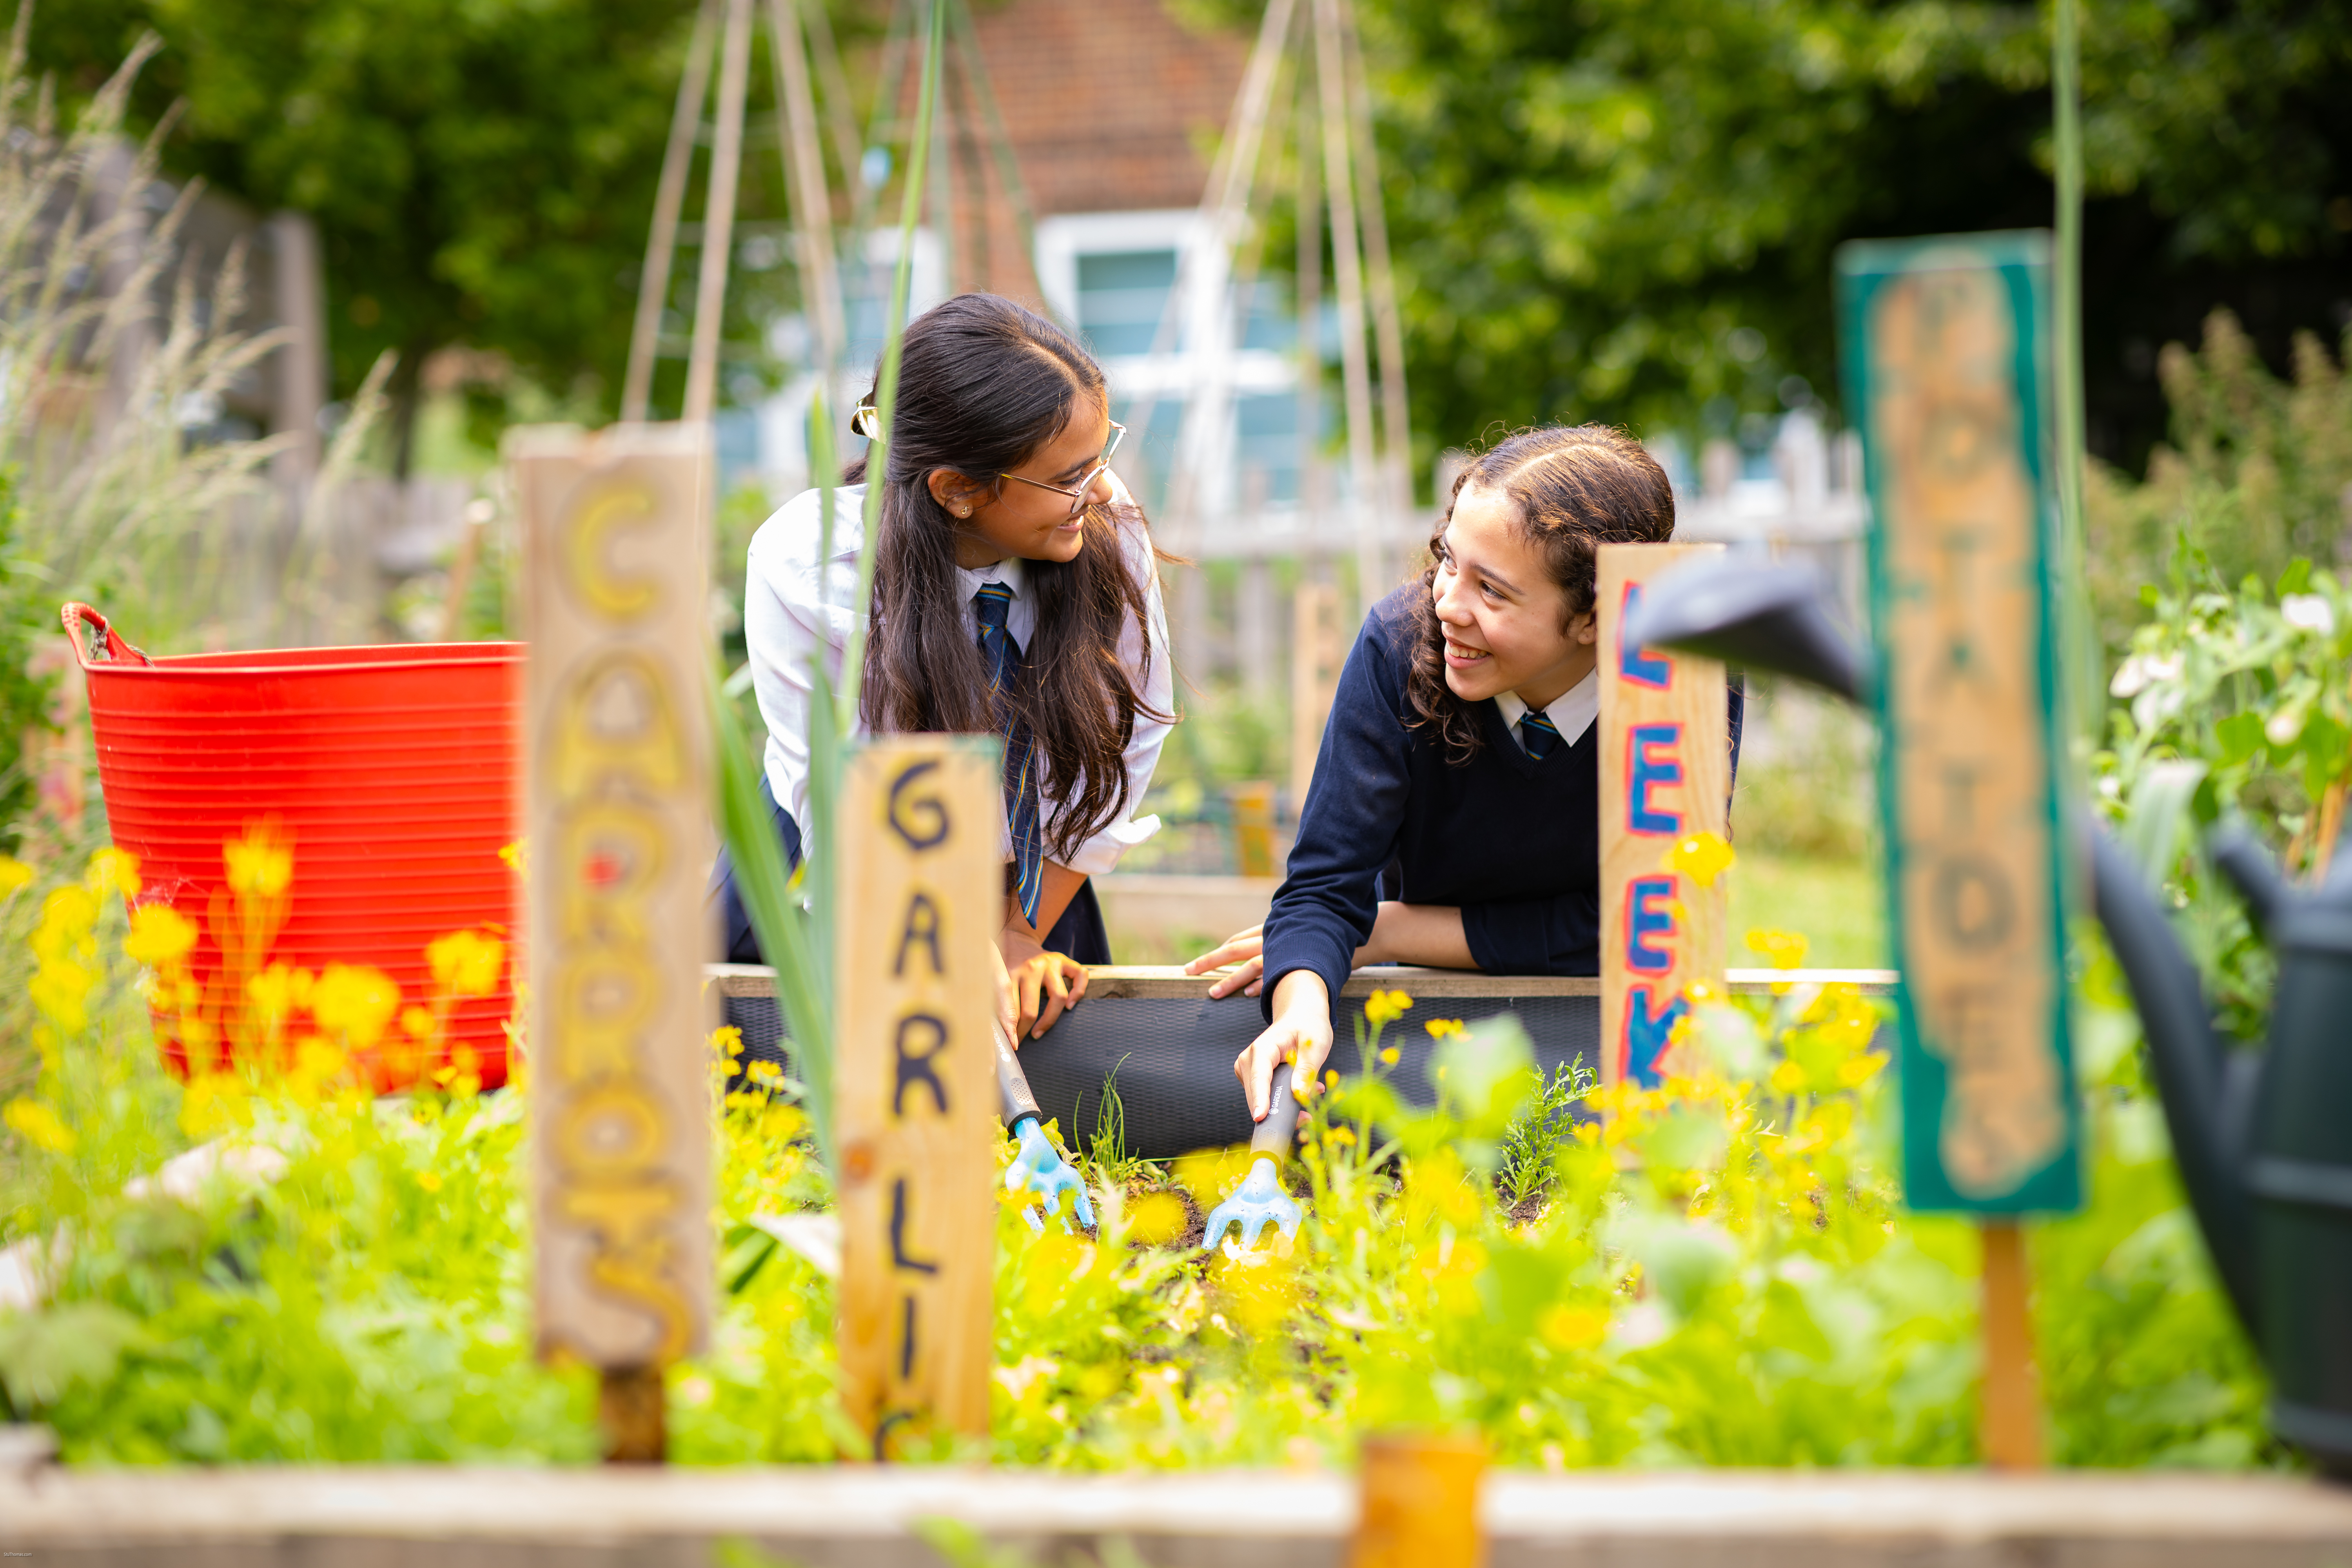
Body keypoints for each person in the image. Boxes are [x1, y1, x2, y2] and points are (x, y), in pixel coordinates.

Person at [1187, 424, 1741, 1120]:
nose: (1449, 605)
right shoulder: (1398, 644)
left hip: (1609, 1041)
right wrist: (1302, 1001)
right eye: (1450, 561)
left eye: (1494, 591)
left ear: (1594, 618)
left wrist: (1387, 930)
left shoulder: (1687, 675)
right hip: (1424, 1025)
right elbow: (1325, 890)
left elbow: (1657, 921)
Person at [719, 292, 1175, 1040]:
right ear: (957, 490)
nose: (1092, 492)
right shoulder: (809, 565)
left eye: (1099, 459)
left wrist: (1021, 933)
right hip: (848, 861)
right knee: (775, 1083)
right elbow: (827, 794)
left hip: (1031, 873)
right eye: (1065, 477)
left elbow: (1131, 741)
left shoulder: (1105, 528)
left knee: (1056, 1081)